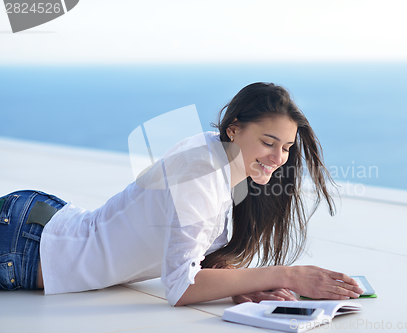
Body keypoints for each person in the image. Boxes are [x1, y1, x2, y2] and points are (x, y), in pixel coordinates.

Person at [0, 82, 363, 305]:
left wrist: (236, 285)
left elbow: (190, 257)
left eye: (285, 147)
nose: (278, 158)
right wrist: (287, 276)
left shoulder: (222, 160)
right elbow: (181, 288)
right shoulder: (201, 173)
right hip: (27, 245)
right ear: (234, 130)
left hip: (44, 223)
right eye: (268, 142)